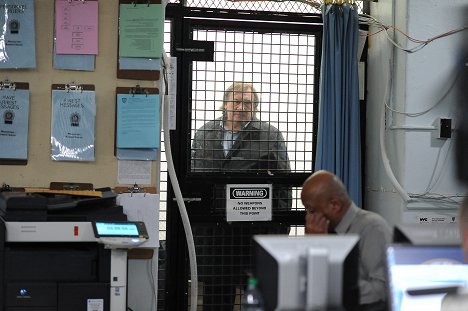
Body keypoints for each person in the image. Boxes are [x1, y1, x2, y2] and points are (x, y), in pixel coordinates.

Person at [191, 81, 292, 310]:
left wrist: (281, 227)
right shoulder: (204, 133)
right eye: (236, 101)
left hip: (253, 230)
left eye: (247, 102)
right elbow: (193, 180)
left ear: (255, 106)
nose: (241, 106)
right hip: (214, 231)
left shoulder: (270, 135)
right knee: (216, 296)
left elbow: (284, 182)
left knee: (255, 294)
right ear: (224, 105)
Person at [301, 170, 392, 310]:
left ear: (335, 205)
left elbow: (382, 290)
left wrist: (337, 286)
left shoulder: (372, 228)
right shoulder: (326, 231)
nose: (308, 218)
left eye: (312, 211)